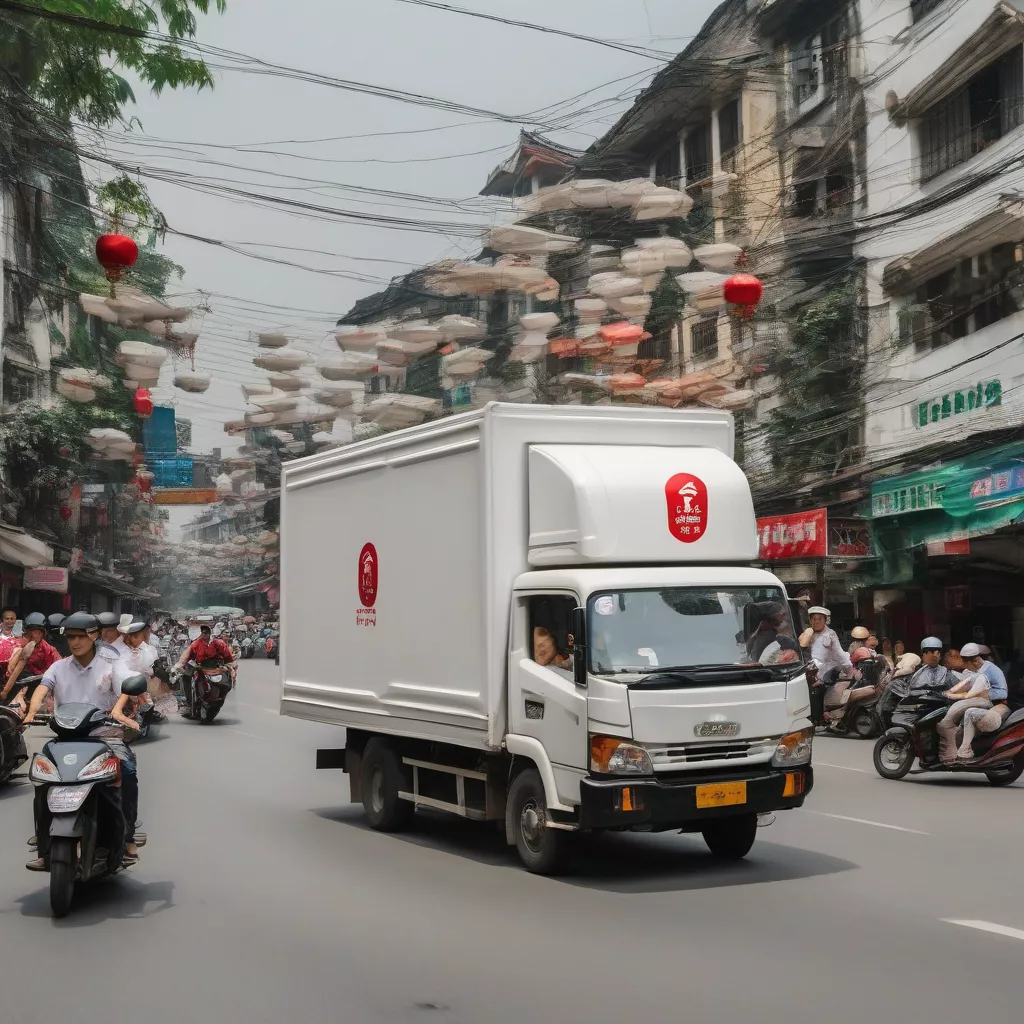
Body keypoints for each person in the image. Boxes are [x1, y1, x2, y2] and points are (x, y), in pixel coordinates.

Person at [22, 613, 141, 869]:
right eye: (71, 637)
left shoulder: (111, 663)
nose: (75, 642)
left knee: (127, 771)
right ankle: (45, 843)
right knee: (41, 775)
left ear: (94, 636)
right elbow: (43, 688)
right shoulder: (59, 666)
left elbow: (125, 688)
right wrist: (31, 712)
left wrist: (118, 711)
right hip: (66, 738)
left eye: (80, 636)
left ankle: (127, 835)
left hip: (105, 736)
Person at [936, 643, 993, 763]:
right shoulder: (948, 674)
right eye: (955, 657)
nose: (960, 659)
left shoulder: (970, 673)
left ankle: (953, 754)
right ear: (947, 659)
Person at [1, 612, 62, 712]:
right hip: (18, 684)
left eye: (38, 632)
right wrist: (5, 691)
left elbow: (60, 668)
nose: (35, 635)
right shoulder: (18, 644)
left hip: (42, 685)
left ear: (43, 633)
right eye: (33, 632)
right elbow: (13, 669)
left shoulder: (50, 650)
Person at [800, 607, 858, 680]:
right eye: (814, 619)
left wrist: (849, 668)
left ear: (825, 620)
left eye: (820, 619)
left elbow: (839, 653)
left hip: (825, 673)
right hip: (807, 672)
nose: (817, 622)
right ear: (810, 620)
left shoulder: (830, 634)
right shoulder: (807, 633)